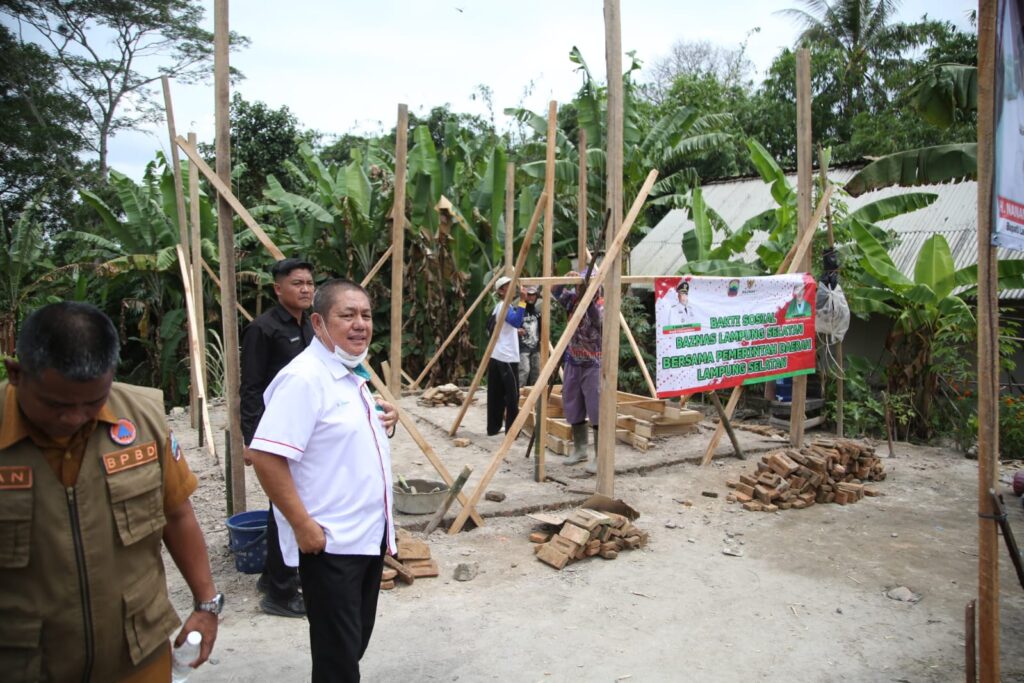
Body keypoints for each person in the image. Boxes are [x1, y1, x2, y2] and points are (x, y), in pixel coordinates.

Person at [0, 302, 221, 681]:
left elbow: (177, 514)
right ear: (17, 374)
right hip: (25, 659)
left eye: (92, 402)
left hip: (137, 652)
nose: (74, 417)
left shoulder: (141, 418)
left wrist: (207, 604)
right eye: (56, 404)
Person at [246, 279, 399, 683]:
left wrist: (388, 419)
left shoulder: (349, 370)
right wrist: (303, 526)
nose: (360, 324)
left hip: (365, 537)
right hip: (330, 543)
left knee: (352, 643)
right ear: (318, 323)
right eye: (346, 315)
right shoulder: (305, 378)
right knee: (338, 660)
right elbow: (265, 455)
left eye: (365, 315)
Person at [240, 257, 315, 618]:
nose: (305, 289)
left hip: (302, 432)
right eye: (297, 283)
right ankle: (281, 594)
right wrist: (251, 440)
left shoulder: (311, 326)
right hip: (274, 434)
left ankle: (273, 577)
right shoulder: (263, 328)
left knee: (280, 505)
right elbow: (251, 387)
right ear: (278, 288)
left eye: (309, 284)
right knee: (286, 507)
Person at [551, 269, 603, 473]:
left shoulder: (601, 305)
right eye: (580, 285)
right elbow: (555, 292)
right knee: (572, 404)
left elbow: (597, 320)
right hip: (573, 359)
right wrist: (565, 279)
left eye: (586, 285)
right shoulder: (572, 301)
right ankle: (580, 449)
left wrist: (586, 298)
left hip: (594, 363)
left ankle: (600, 456)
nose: (581, 288)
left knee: (596, 408)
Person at [488, 275, 526, 436]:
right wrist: (523, 301)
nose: (513, 289)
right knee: (512, 396)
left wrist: (513, 332)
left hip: (497, 354)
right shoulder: (504, 306)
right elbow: (517, 321)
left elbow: (493, 326)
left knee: (495, 394)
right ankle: (512, 431)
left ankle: (493, 428)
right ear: (501, 291)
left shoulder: (499, 307)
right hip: (507, 357)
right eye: (509, 286)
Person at [518, 285, 542, 388]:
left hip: (536, 348)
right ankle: (518, 397)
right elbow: (512, 325)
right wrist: (517, 330)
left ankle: (534, 400)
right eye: (529, 295)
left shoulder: (538, 312)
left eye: (533, 295)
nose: (531, 297)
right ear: (525, 296)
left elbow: (541, 329)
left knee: (536, 372)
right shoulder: (519, 310)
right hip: (523, 347)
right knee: (524, 371)